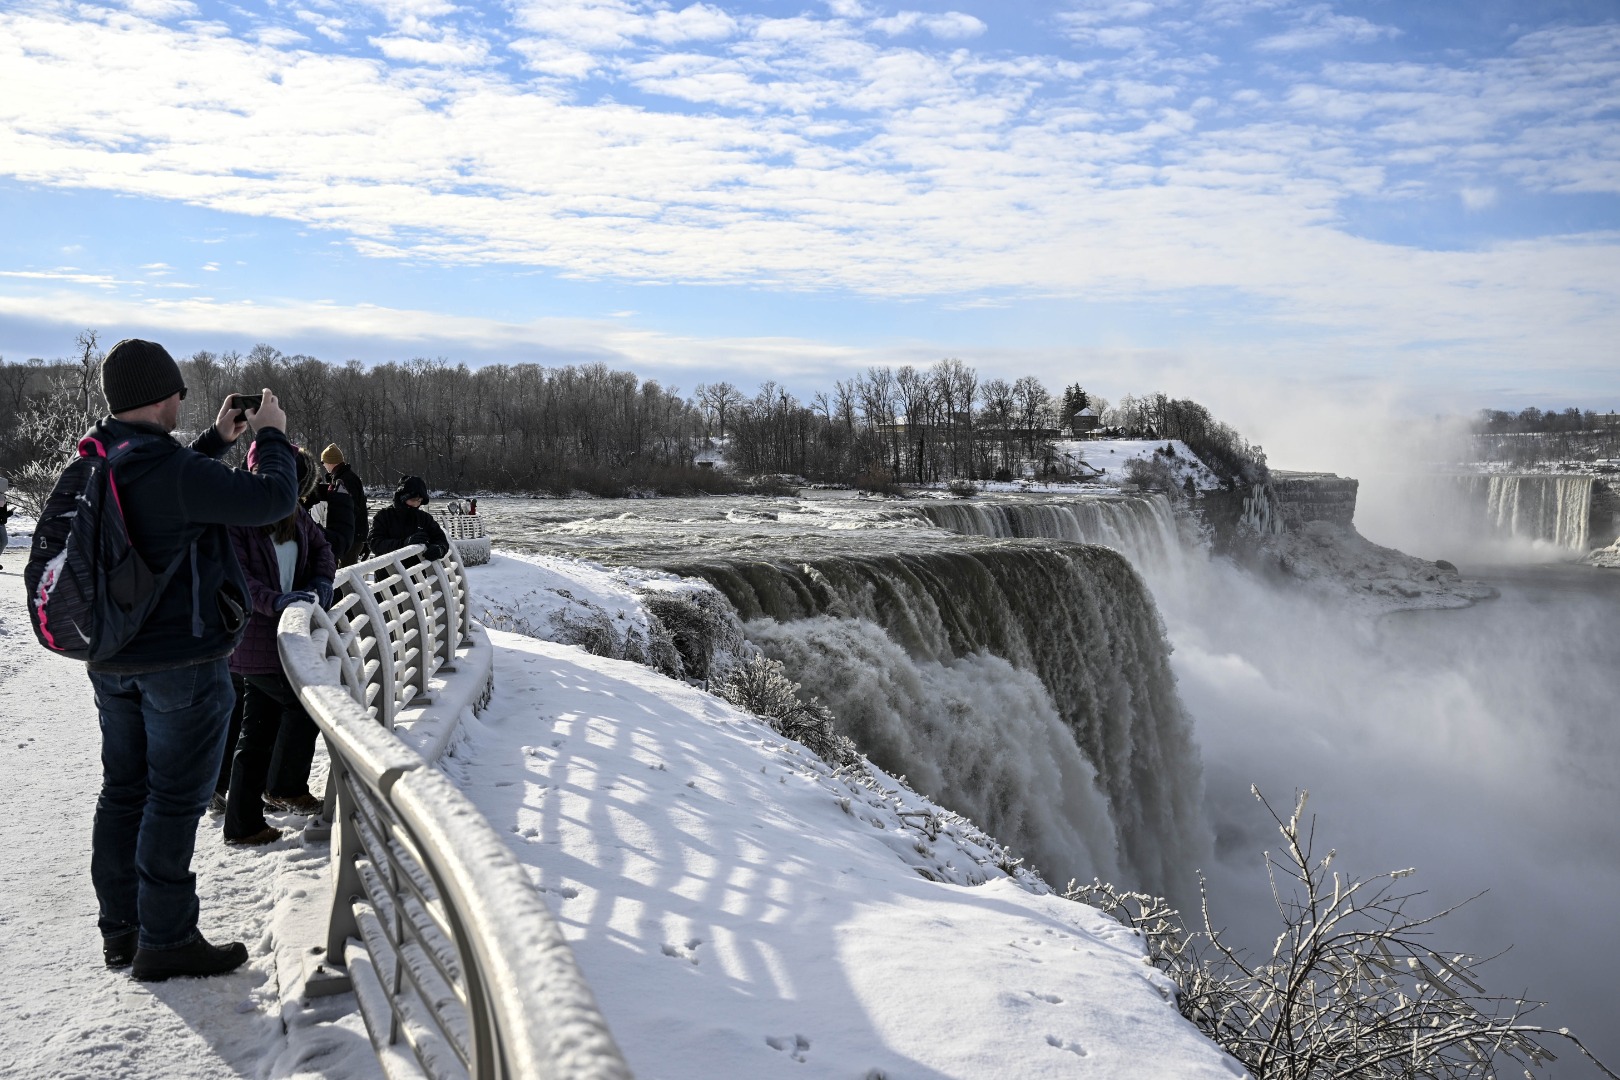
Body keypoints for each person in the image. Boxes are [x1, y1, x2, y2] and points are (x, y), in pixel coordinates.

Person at [78, 338, 297, 982]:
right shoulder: (170, 473)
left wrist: (215, 439)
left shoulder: (104, 456)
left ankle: (124, 930)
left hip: (113, 658)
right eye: (176, 391)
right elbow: (272, 502)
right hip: (181, 664)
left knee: (123, 792)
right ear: (160, 394)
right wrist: (271, 438)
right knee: (173, 798)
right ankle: (167, 938)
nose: (182, 399)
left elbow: (168, 492)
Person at [224, 447, 335, 845]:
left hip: (288, 637)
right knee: (304, 704)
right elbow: (235, 577)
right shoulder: (236, 516)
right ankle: (284, 786)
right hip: (254, 640)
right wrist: (277, 601)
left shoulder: (295, 513)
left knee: (256, 734)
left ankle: (243, 824)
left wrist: (321, 581)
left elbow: (323, 550)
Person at [369, 475, 450, 563]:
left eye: (419, 501)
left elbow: (440, 538)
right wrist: (404, 543)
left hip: (418, 572)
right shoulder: (384, 516)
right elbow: (374, 543)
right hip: (389, 572)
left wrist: (439, 549)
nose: (416, 504)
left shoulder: (424, 518)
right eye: (413, 500)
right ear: (403, 497)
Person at [317, 444, 368, 566]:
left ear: (330, 462)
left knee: (346, 574)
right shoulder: (344, 477)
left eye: (323, 462)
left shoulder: (345, 480)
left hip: (351, 536)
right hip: (353, 534)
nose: (323, 465)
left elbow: (352, 508)